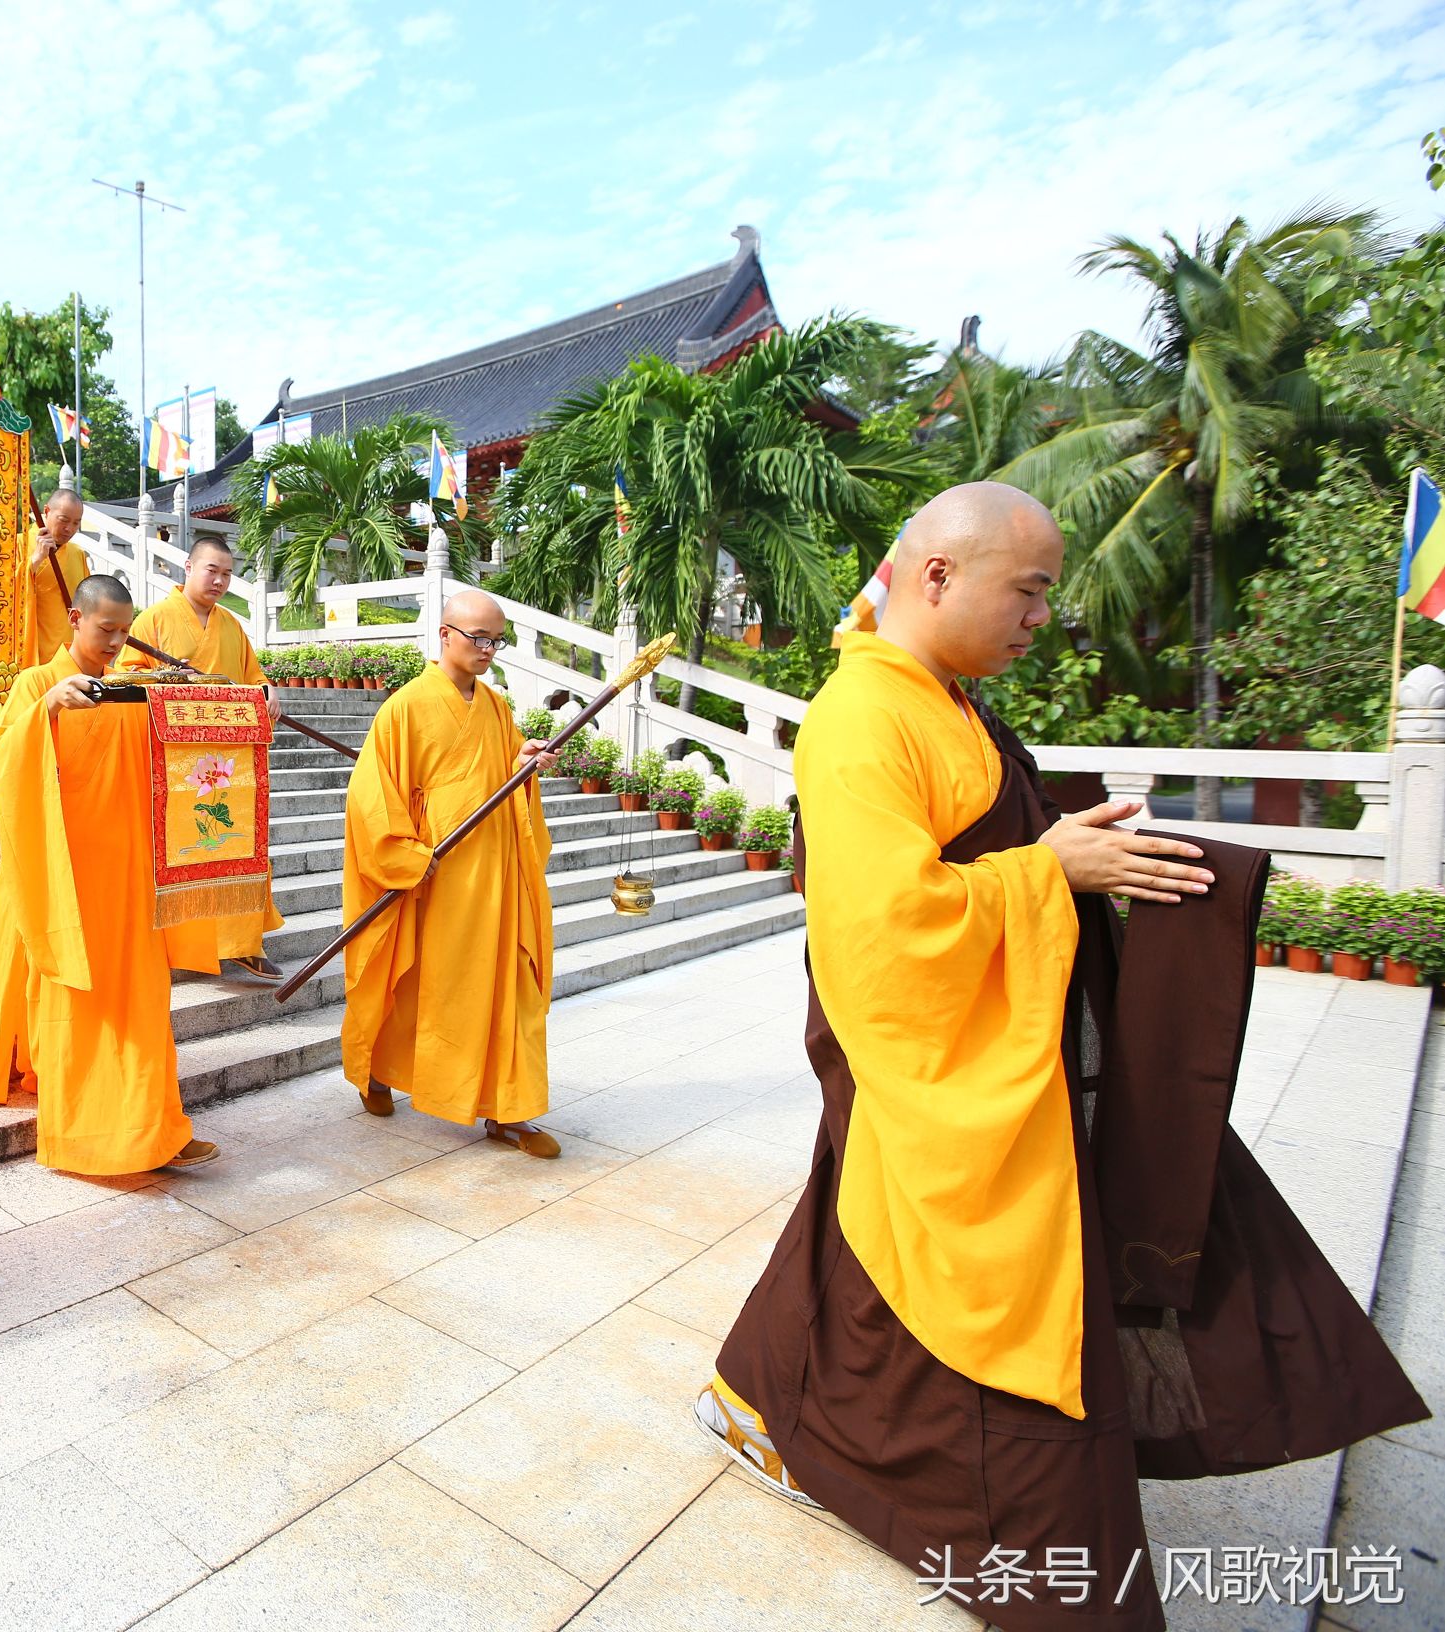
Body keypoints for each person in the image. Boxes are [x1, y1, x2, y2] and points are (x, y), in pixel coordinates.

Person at [703, 482, 1427, 1632]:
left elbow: (995, 831)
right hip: (929, 1045)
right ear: (937, 575)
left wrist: (1074, 838)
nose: (1044, 615)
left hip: (982, 1046)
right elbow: (884, 927)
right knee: (986, 1287)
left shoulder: (942, 699)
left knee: (870, 1234)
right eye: (1029, 589)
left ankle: (762, 1392)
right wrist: (1050, 875)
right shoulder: (864, 716)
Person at [0, 573, 215, 1175]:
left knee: (142, 1000)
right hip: (60, 876)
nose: (116, 644)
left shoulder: (127, 688)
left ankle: (157, 1124)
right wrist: (46, 711)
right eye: (106, 630)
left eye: (126, 633)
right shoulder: (37, 684)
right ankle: (87, 1132)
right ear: (75, 618)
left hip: (124, 873)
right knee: (73, 1001)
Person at [340, 587, 561, 1156]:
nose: (488, 649)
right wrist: (407, 855)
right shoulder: (406, 706)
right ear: (444, 634)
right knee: (414, 984)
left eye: (497, 640)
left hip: (494, 876)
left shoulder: (496, 707)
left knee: (507, 986)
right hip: (433, 877)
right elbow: (371, 798)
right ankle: (376, 1071)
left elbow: (505, 776)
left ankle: (508, 1109)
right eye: (477, 637)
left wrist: (525, 763)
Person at [119, 534, 287, 982]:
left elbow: (252, 677)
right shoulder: (154, 619)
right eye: (212, 570)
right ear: (188, 567)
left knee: (237, 841)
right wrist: (171, 678)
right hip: (178, 758)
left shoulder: (232, 624)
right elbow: (125, 675)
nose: (220, 580)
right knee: (187, 843)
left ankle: (242, 945)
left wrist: (269, 691)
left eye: (228, 574)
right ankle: (182, 943)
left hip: (229, 756)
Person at [24, 488, 91, 664]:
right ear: (47, 511)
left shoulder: (77, 555)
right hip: (29, 654)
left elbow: (88, 605)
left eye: (76, 523)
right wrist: (35, 561)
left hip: (67, 656)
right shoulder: (18, 546)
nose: (69, 529)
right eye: (64, 520)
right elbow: (4, 596)